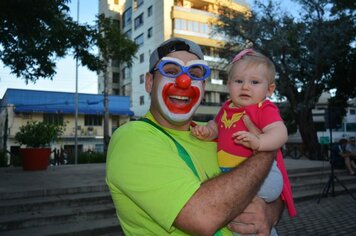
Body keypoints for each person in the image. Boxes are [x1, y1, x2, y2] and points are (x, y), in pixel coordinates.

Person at [106, 38, 284, 236]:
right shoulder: (133, 138)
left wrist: (270, 213)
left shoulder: (215, 131)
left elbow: (272, 190)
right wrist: (265, 150)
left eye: (195, 74)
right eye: (171, 71)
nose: (184, 82)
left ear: (203, 87)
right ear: (149, 82)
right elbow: (203, 217)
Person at [191, 49, 296, 226]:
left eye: (254, 82)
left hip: (263, 175)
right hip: (232, 175)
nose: (245, 87)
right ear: (229, 84)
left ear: (269, 89)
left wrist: (260, 142)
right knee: (241, 220)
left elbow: (280, 132)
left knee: (249, 204)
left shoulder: (264, 108)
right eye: (239, 81)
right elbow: (217, 127)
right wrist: (209, 131)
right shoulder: (226, 107)